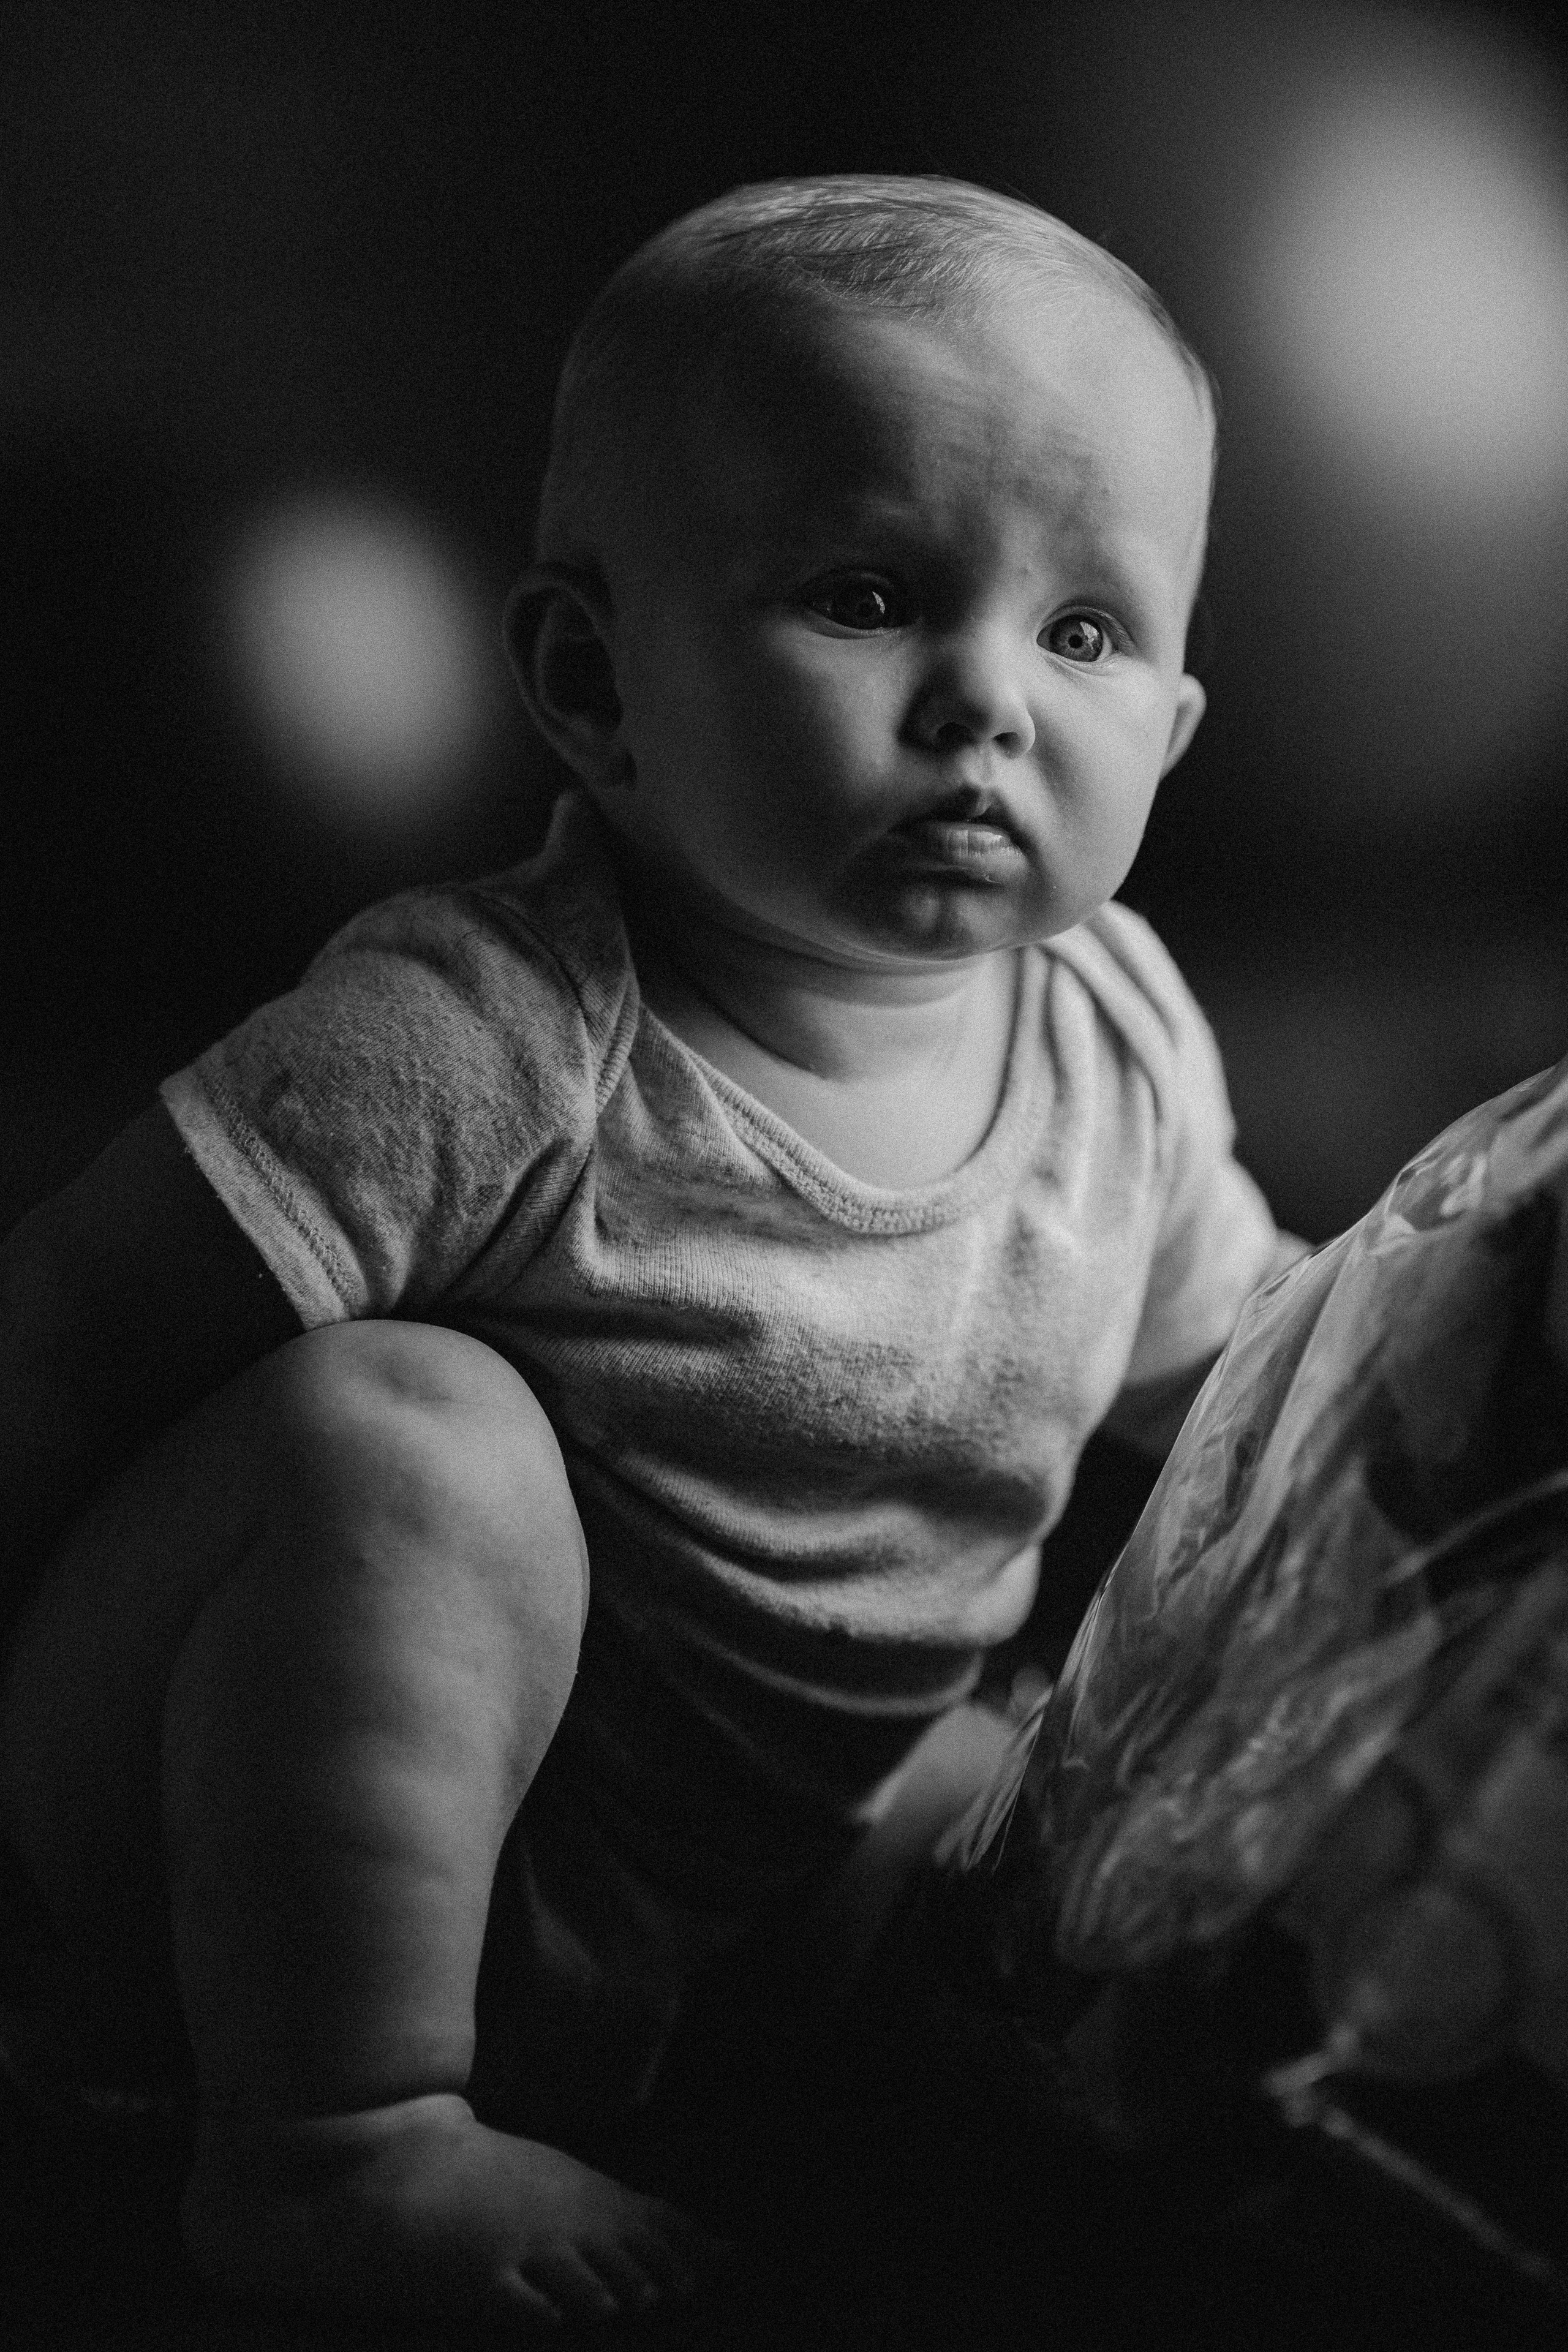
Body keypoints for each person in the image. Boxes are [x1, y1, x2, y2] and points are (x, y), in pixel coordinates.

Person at [0, 175, 1295, 2333]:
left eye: (1083, 633)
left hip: (744, 1868)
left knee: (1073, 1811)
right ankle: (332, 2149)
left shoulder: (1121, 1043)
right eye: (871, 593)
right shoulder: (481, 1043)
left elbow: (1255, 1379)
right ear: (596, 683)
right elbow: (61, 1328)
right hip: (268, 1868)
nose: (986, 698)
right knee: (400, 1440)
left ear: (1165, 726)